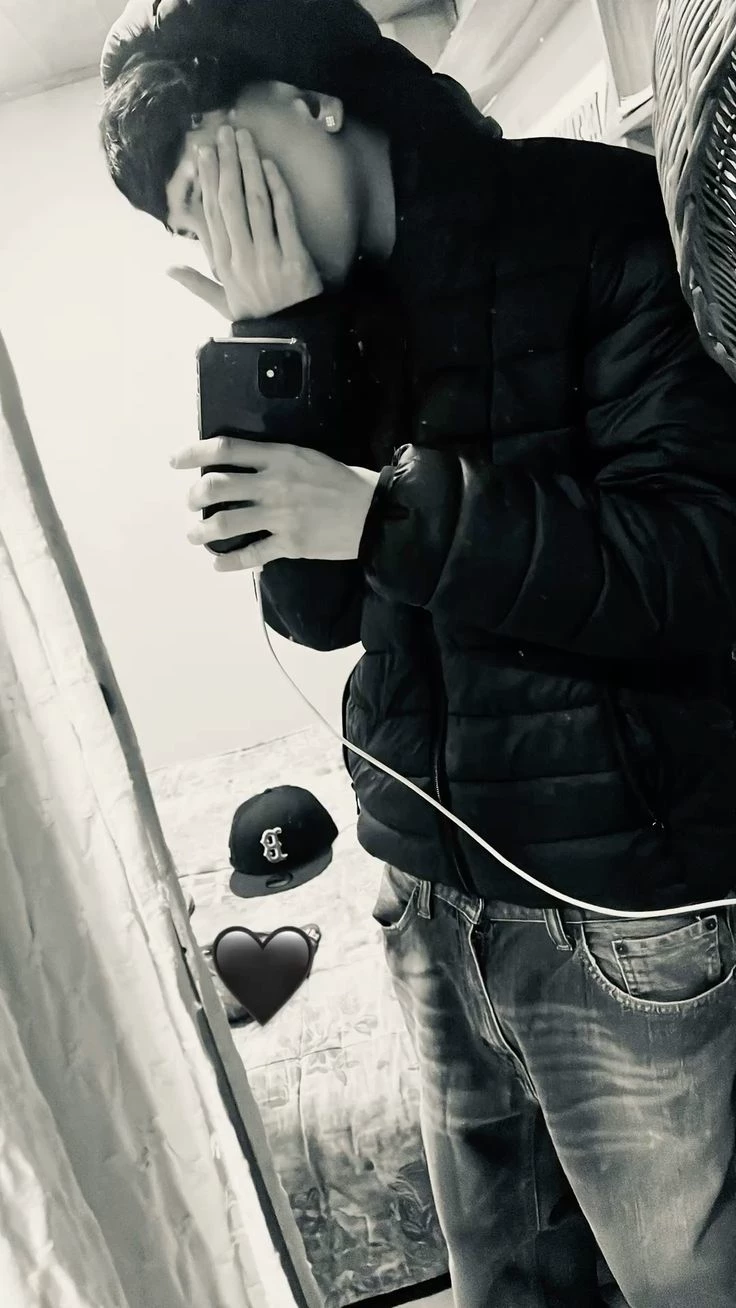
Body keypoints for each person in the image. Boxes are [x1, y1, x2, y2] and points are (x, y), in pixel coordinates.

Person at [99, 3, 736, 1305]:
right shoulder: (313, 317)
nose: (227, 238)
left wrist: (383, 511)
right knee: (507, 1286)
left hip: (624, 916)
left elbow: (697, 564)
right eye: (193, 226)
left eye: (225, 178)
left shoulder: (596, 218)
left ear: (313, 100)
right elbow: (317, 616)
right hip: (426, 901)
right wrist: (290, 349)